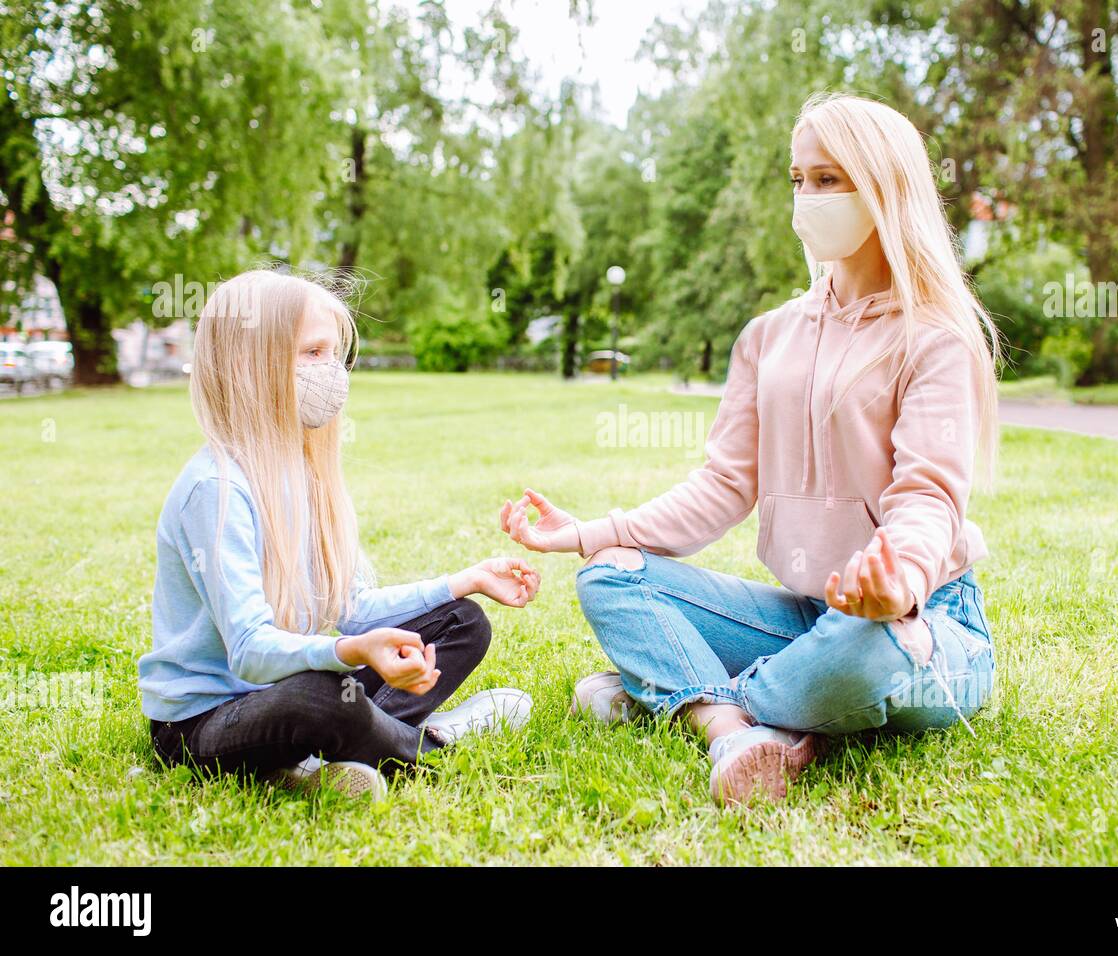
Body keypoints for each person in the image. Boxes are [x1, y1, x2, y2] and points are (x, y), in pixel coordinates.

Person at [501, 92, 1001, 806]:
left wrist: (902, 580)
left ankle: (680, 695)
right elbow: (723, 488)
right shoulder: (768, 336)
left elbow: (928, 499)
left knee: (861, 649)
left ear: (887, 188)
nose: (807, 197)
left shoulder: (936, 338)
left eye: (829, 179)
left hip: (917, 622)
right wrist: (586, 533)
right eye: (798, 179)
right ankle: (736, 725)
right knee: (611, 577)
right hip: (805, 615)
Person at [140, 270, 537, 800]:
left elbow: (347, 607)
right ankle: (431, 741)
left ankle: (319, 760)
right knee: (321, 697)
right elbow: (249, 651)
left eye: (335, 355)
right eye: (312, 353)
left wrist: (459, 582)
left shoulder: (305, 470)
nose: (331, 372)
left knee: (462, 621)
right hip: (205, 723)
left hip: (286, 687)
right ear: (249, 365)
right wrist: (350, 650)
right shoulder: (216, 489)